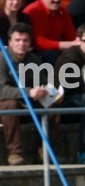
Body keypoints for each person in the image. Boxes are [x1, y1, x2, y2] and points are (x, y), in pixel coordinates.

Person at [0, 23, 49, 167]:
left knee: (52, 104)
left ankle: (44, 149)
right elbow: (1, 90)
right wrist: (29, 92)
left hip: (26, 102)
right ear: (10, 42)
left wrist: (47, 93)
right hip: (6, 104)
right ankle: (14, 153)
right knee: (10, 105)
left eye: (25, 40)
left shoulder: (34, 60)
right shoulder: (2, 59)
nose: (21, 44)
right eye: (17, 40)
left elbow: (42, 83)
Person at [54, 22, 85, 164]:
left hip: (84, 99)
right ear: (79, 41)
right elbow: (81, 86)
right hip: (62, 103)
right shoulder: (70, 58)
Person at [23, 0, 79, 64]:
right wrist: (69, 44)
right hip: (33, 54)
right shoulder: (33, 11)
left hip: (55, 52)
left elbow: (72, 37)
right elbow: (39, 43)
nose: (56, 0)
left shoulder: (63, 12)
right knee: (51, 54)